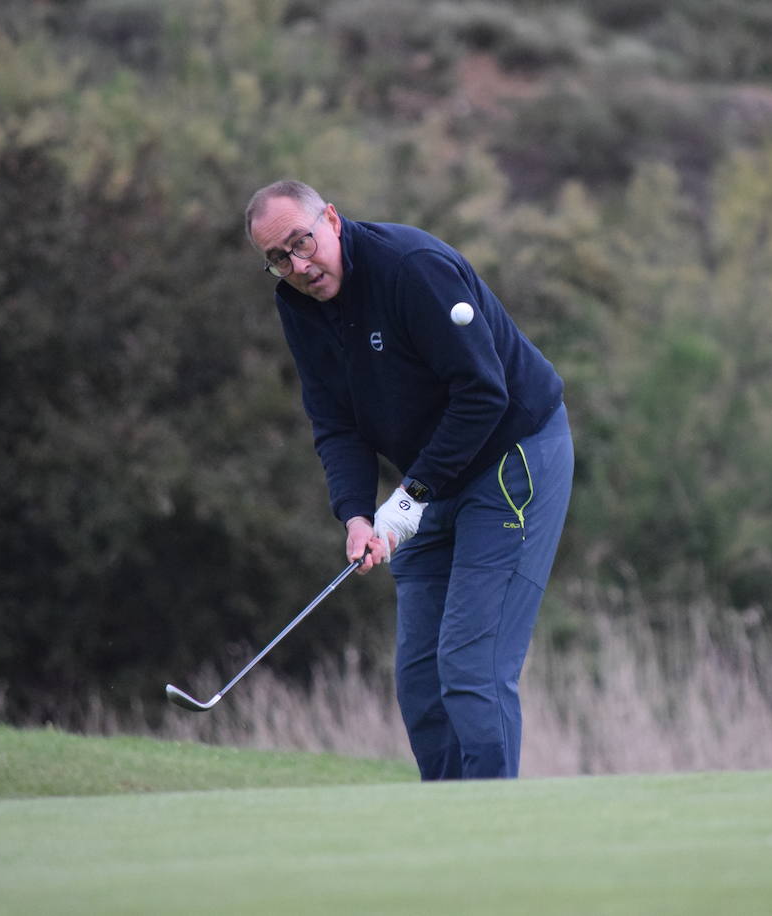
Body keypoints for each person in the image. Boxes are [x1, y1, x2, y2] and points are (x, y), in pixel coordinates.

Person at [244, 180, 573, 780]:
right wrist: (357, 514)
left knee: (471, 668)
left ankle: (493, 838)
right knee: (421, 680)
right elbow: (336, 423)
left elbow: (483, 393)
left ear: (333, 221)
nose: (298, 266)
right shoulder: (297, 306)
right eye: (278, 258)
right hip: (428, 481)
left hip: (512, 456)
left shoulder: (411, 268)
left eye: (303, 242)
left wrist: (409, 496)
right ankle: (446, 842)